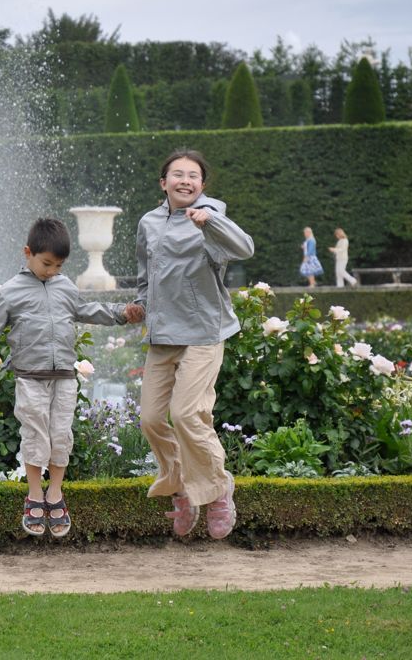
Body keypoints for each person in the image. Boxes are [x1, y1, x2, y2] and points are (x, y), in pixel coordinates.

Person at [0, 218, 130, 537]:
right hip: (30, 377)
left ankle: (54, 494)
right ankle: (33, 495)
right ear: (28, 252)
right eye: (47, 264)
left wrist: (122, 313)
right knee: (35, 436)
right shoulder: (10, 292)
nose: (52, 271)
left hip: (64, 376)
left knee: (61, 435)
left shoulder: (65, 286)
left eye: (59, 265)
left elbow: (89, 310)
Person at [120, 149, 254, 540]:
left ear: (202, 185)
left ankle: (217, 489)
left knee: (187, 414)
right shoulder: (149, 222)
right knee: (150, 419)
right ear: (164, 183)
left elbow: (244, 248)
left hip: (202, 332)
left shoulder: (211, 215)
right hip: (162, 335)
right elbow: (146, 273)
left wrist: (210, 221)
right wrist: (140, 304)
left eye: (193, 176)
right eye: (177, 174)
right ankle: (181, 487)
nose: (185, 180)